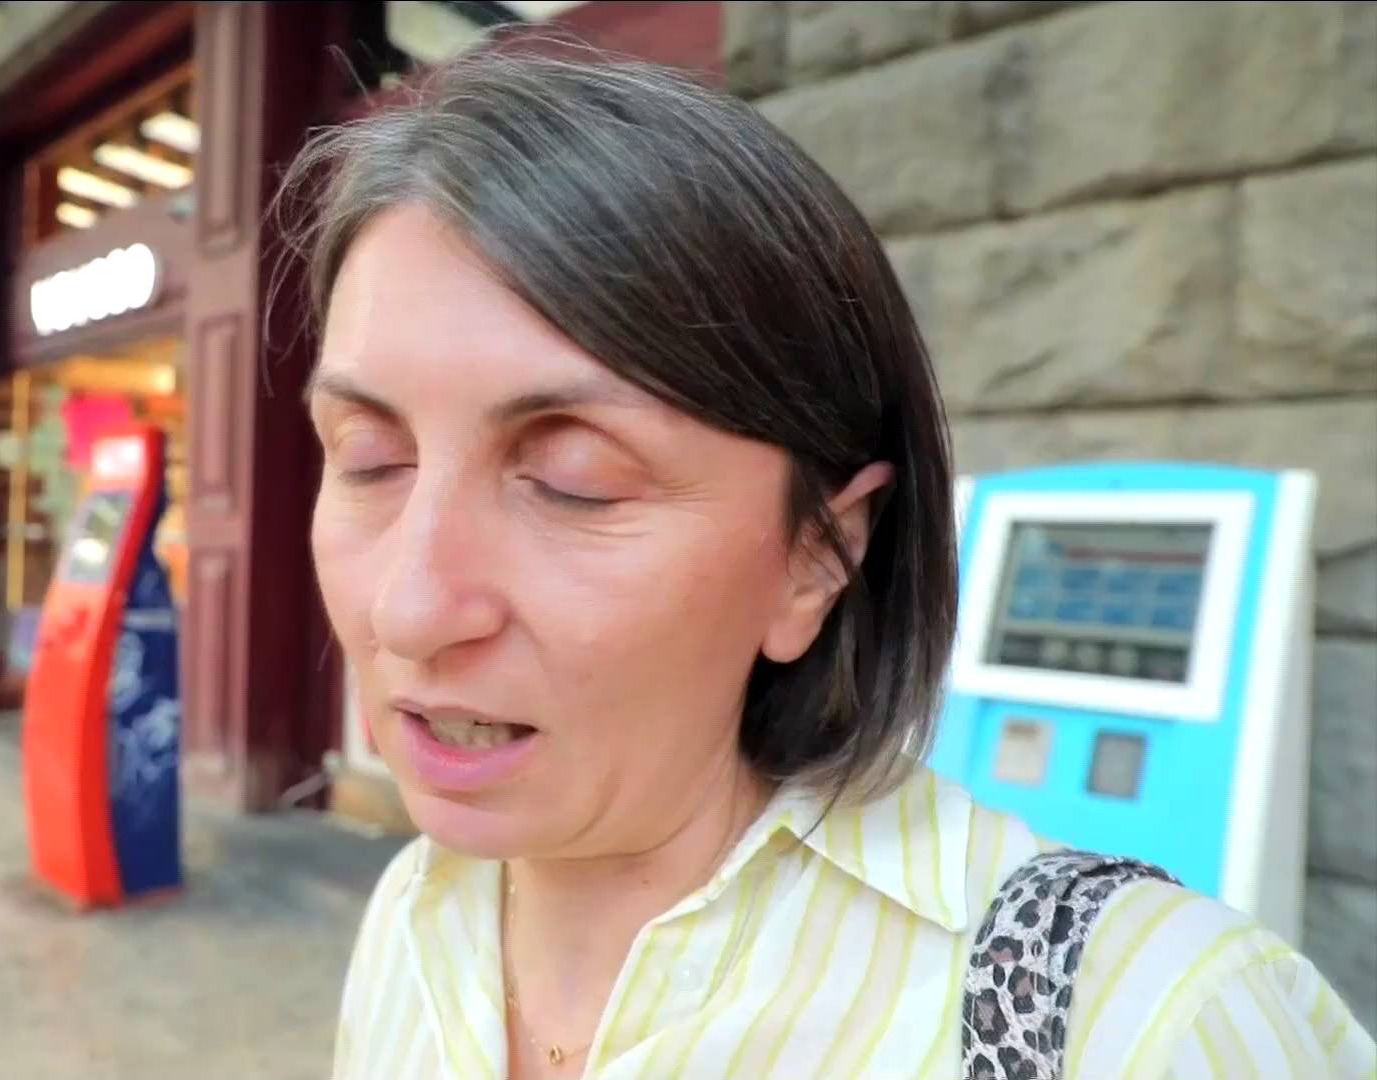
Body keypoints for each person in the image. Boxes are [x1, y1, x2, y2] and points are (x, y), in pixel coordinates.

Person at [297, 47, 1375, 1080]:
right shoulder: (417, 916)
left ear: (818, 552)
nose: (409, 607)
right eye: (370, 458)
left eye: (576, 480)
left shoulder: (1141, 1022)